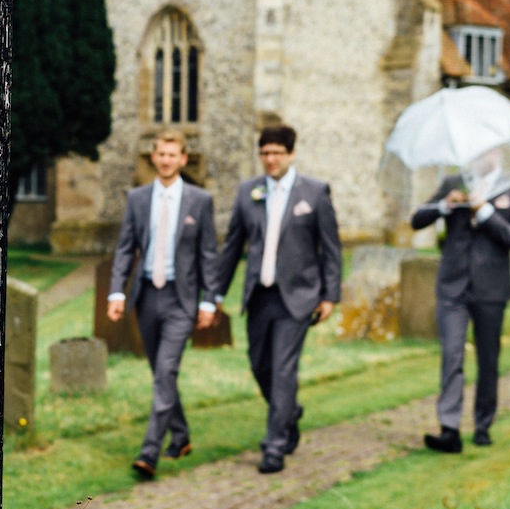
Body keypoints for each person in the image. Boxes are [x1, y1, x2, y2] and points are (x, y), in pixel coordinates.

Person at [214, 124, 342, 474]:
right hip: (259, 295)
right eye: (265, 153)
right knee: (260, 365)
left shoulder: (314, 193)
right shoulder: (248, 192)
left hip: (298, 297)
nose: (270, 160)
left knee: (283, 369)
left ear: (291, 154)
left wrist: (330, 295)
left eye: (277, 153)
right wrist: (215, 294)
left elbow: (331, 249)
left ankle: (274, 447)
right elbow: (231, 249)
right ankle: (289, 413)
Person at [107, 129, 220, 480]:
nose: (167, 159)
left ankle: (149, 452)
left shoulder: (200, 201)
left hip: (181, 299)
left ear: (183, 159)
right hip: (147, 297)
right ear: (153, 157)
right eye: (162, 154)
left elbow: (208, 255)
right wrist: (116, 292)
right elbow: (126, 248)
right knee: (161, 374)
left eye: (174, 154)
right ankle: (182, 435)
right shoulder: (138, 198)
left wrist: (210, 302)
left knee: (166, 371)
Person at [410, 147, 510, 452]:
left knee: (488, 359)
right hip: (452, 286)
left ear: (498, 151)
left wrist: (485, 212)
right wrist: (444, 206)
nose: (479, 155)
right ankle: (449, 429)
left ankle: (483, 424)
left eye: (485, 149)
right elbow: (417, 219)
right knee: (452, 356)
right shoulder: (453, 183)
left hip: (491, 288)